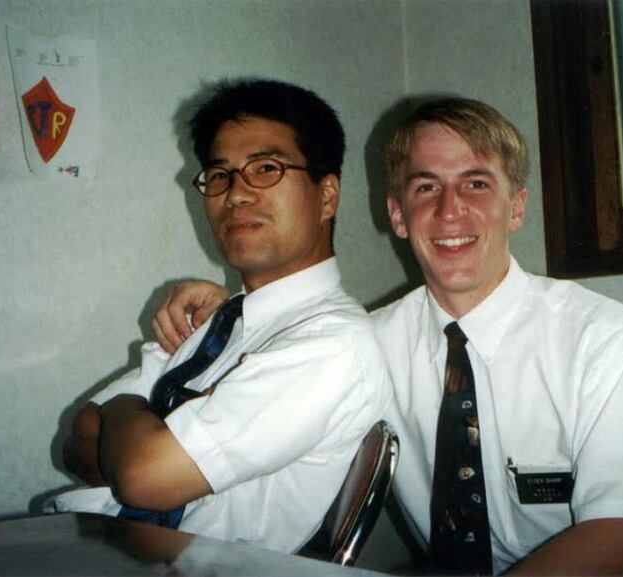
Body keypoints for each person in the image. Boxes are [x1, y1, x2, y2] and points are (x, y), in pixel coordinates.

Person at [151, 97, 623, 574]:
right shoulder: (366, 346)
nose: (449, 210)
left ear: (516, 206)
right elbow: (280, 376)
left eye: (476, 184)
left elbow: (617, 541)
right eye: (425, 187)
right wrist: (235, 318)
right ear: (397, 214)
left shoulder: (603, 338)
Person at [50, 79, 391, 554]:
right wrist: (140, 433)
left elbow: (143, 477)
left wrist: (122, 407)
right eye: (219, 175)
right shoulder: (220, 322)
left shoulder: (332, 345)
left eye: (266, 168)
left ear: (327, 196)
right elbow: (78, 443)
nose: (236, 195)